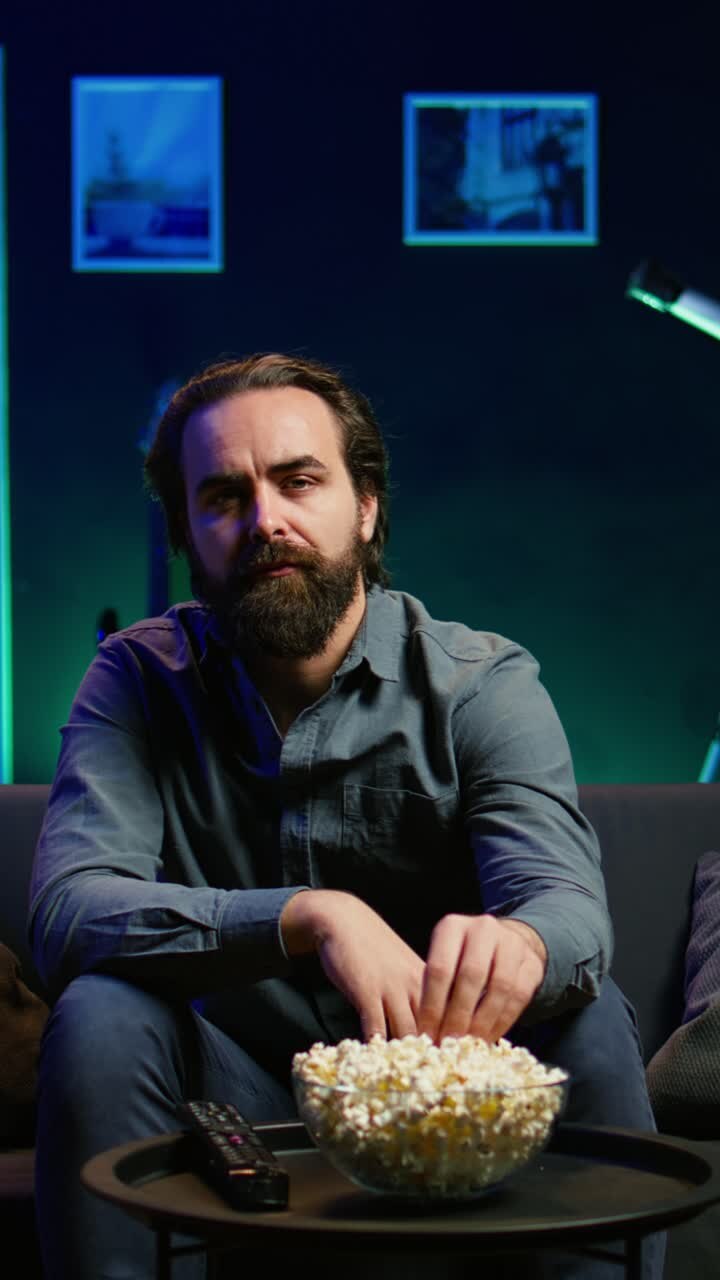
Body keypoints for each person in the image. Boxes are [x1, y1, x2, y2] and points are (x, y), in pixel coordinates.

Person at [29, 353, 660, 1280]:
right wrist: (311, 918)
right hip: (231, 1102)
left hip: (446, 1094)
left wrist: (520, 947)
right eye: (222, 497)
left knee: (590, 1012)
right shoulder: (135, 679)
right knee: (98, 1017)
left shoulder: (482, 681)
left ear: (364, 507)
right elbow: (67, 912)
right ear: (186, 532)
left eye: (299, 481)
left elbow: (565, 906)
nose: (266, 522)